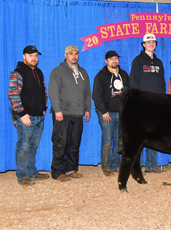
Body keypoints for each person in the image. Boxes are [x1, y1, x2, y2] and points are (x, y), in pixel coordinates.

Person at [8, 45, 50, 186]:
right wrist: (22, 113)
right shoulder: (18, 72)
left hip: (39, 115)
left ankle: (32, 172)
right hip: (26, 117)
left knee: (33, 146)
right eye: (31, 55)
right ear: (24, 56)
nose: (34, 58)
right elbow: (13, 95)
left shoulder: (39, 72)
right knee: (24, 146)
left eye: (36, 56)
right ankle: (22, 175)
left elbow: (43, 91)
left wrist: (44, 107)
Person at [49, 45, 91, 182]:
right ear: (65, 55)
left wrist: (88, 109)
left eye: (76, 54)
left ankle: (71, 169)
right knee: (60, 142)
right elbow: (53, 92)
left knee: (74, 143)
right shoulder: (58, 71)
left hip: (78, 113)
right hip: (63, 113)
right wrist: (57, 110)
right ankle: (58, 171)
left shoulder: (83, 72)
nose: (74, 56)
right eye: (71, 54)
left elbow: (87, 93)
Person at [130, 33, 166, 173]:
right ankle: (136, 166)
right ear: (143, 44)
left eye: (153, 42)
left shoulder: (159, 62)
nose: (151, 44)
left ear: (155, 45)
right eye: (148, 42)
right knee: (138, 137)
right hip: (142, 106)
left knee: (153, 136)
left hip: (156, 105)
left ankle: (151, 165)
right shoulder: (137, 61)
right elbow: (133, 82)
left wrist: (162, 101)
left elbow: (162, 83)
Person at [92, 51, 130, 176]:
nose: (114, 60)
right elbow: (96, 96)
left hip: (122, 113)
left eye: (116, 58)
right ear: (106, 61)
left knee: (119, 141)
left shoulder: (124, 74)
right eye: (111, 58)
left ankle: (115, 165)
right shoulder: (101, 76)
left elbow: (128, 94)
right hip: (107, 113)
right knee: (107, 141)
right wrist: (103, 111)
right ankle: (106, 167)